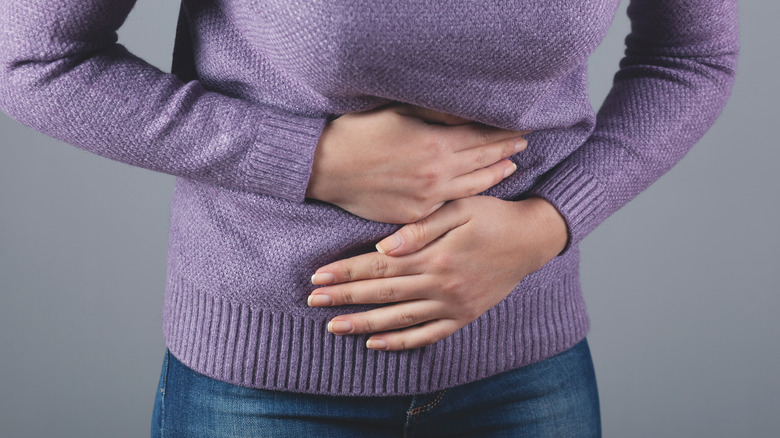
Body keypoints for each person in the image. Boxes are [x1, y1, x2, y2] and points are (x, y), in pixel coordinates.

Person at [0, 0, 738, 436]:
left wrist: (550, 223)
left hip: (527, 373)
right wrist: (315, 159)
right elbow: (30, 57)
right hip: (263, 385)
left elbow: (693, 55)